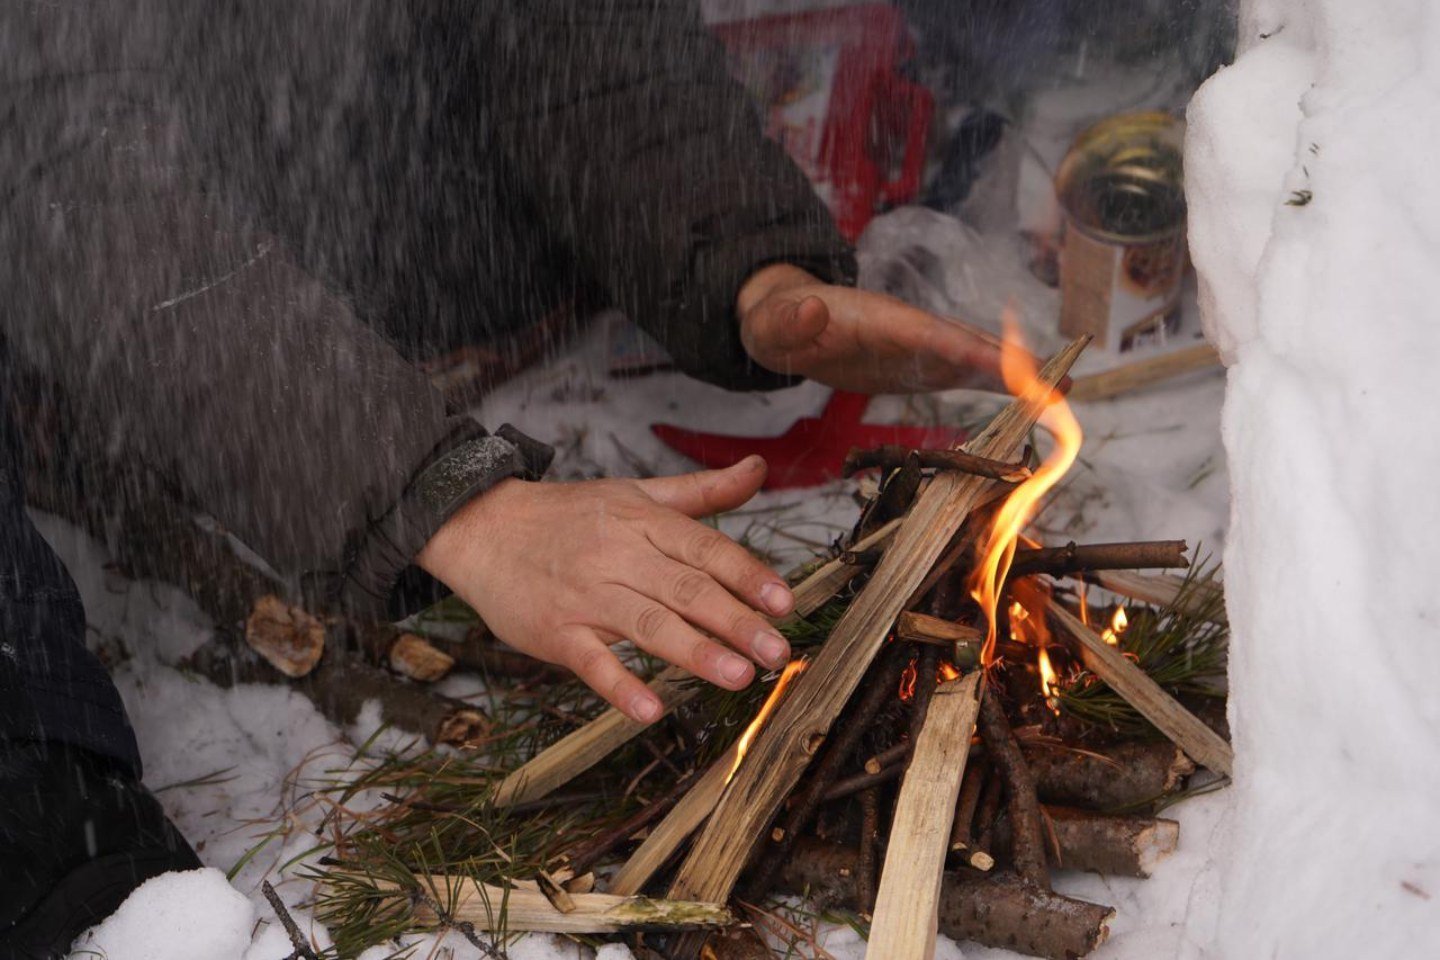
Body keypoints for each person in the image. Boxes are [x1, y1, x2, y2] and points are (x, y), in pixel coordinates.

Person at [0, 2, 1009, 952]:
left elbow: (591, 46)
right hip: (170, 359)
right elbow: (61, 177)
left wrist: (750, 271)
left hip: (435, 279)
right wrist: (447, 504)